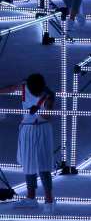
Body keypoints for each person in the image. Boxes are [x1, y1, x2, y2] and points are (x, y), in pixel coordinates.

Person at [0, 74, 56, 213]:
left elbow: (48, 115)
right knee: (28, 163)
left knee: (43, 165)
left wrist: (38, 112)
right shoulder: (25, 85)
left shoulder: (48, 96)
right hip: (27, 129)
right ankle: (31, 198)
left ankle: (49, 200)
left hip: (42, 129)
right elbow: (11, 88)